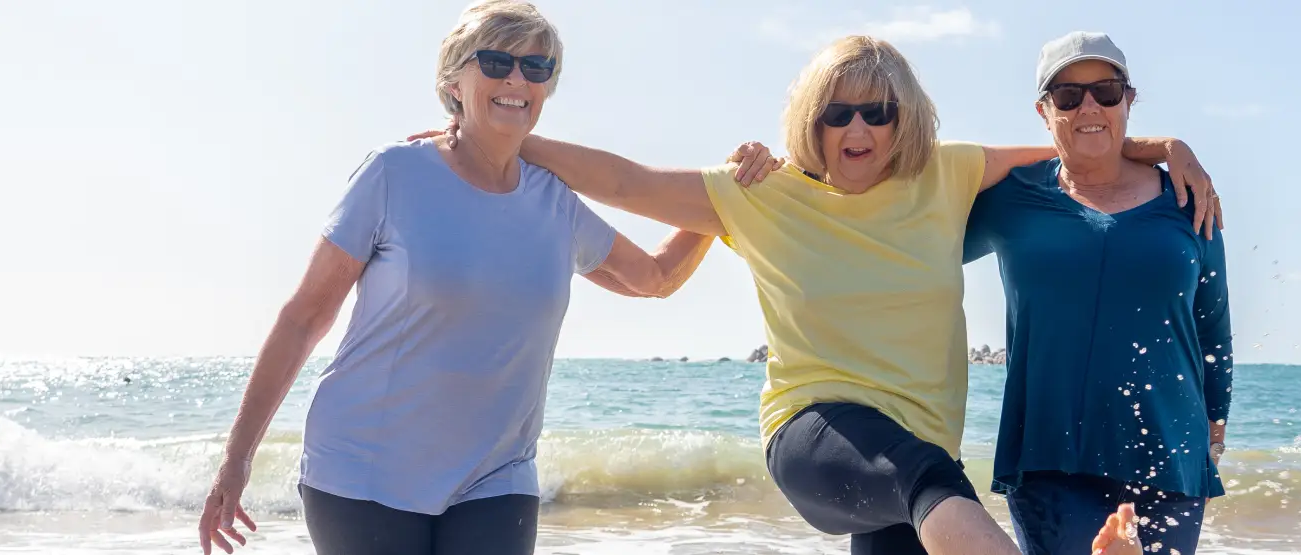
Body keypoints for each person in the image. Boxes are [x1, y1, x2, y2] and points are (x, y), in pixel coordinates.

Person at [425, 35, 1222, 555]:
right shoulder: (760, 195)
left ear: (902, 119)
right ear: (814, 119)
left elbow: (1074, 142)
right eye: (839, 112)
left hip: (914, 468)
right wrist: (499, 136)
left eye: (878, 111)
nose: (859, 128)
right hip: (816, 431)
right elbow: (626, 180)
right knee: (932, 485)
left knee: (924, 493)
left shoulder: (945, 175)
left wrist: (1166, 144)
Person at [194, 2, 716, 554]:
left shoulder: (555, 203)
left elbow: (655, 277)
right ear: (453, 82)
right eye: (496, 62)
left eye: (536, 69)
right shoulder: (395, 174)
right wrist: (236, 462)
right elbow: (304, 319)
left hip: (497, 477)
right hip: (365, 471)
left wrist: (726, 209)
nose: (517, 78)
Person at [961, 32, 1233, 555]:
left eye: (1106, 92)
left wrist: (1215, 431)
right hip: (1049, 459)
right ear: (1044, 110)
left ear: (1129, 100)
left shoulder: (1188, 198)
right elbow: (914, 231)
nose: (1089, 105)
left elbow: (1212, 327)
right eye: (1068, 96)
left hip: (1170, 459)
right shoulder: (1012, 199)